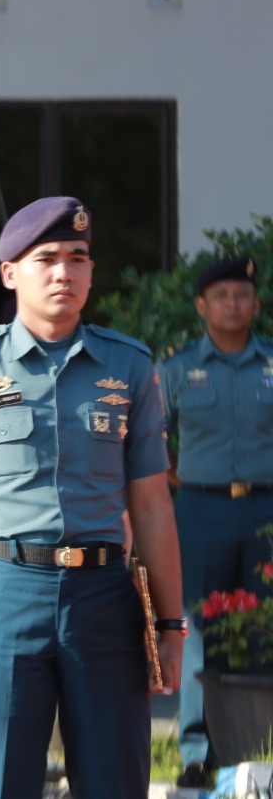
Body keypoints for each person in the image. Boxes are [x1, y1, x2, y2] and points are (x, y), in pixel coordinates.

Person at [0, 196, 185, 799]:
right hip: (8, 598)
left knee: (114, 782)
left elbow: (152, 505)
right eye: (45, 258)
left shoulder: (128, 368)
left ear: (91, 272)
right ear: (10, 272)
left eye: (77, 258)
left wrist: (171, 625)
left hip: (104, 598)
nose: (63, 273)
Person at [159, 255, 272, 787]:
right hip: (200, 509)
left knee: (262, 627)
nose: (233, 303)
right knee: (198, 628)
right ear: (202, 305)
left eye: (242, 294)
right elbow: (149, 445)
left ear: (255, 303)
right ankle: (199, 752)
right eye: (221, 295)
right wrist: (187, 480)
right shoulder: (177, 368)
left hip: (266, 511)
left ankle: (255, 747)